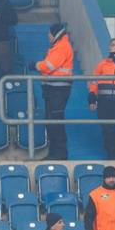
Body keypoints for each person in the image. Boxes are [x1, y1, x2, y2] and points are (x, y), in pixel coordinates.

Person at [33, 23, 73, 159]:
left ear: (55, 34)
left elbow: (49, 65)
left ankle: (60, 153)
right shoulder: (58, 46)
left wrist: (36, 65)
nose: (48, 37)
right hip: (53, 88)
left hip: (58, 89)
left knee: (55, 120)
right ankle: (54, 152)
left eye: (49, 34)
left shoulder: (62, 46)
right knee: (51, 121)